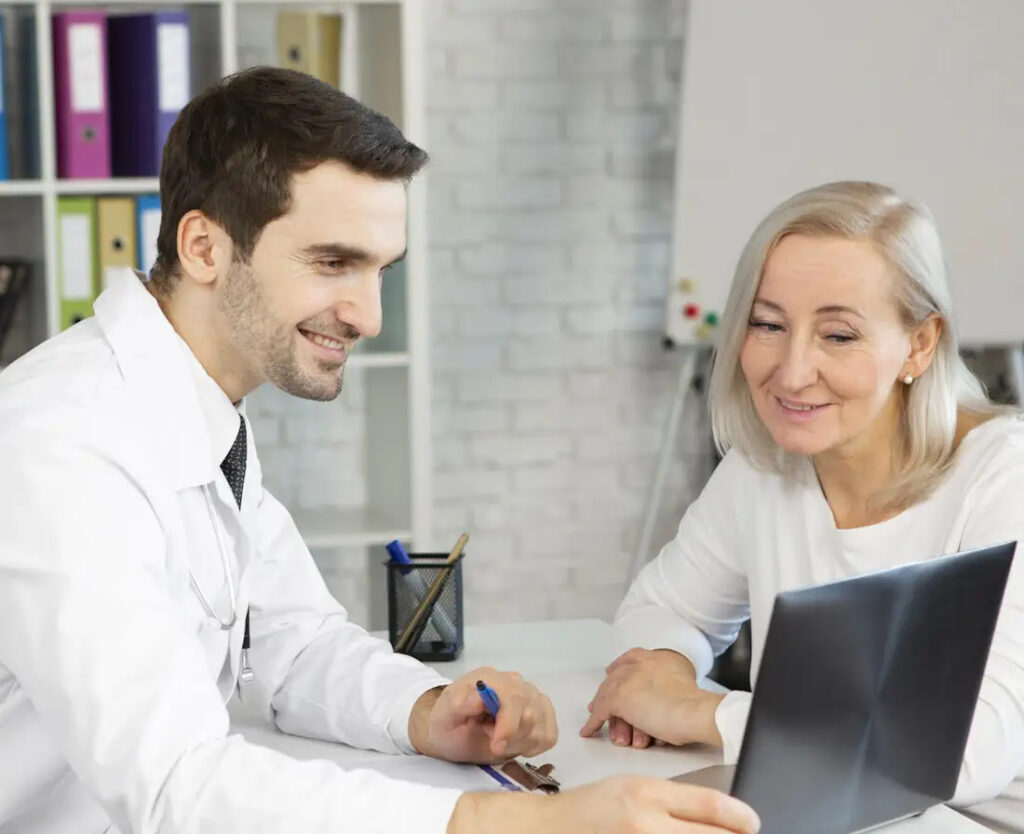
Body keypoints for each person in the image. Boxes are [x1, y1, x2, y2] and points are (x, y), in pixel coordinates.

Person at [0, 68, 760, 834]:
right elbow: (175, 784)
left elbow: (292, 644)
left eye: (379, 270)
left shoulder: (194, 408)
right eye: (333, 263)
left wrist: (427, 712)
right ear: (204, 246)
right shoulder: (62, 444)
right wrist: (520, 824)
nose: (368, 316)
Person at [581, 180, 1024, 833]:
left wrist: (703, 714)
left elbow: (967, 751)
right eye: (768, 325)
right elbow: (661, 609)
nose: (790, 373)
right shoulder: (766, 464)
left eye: (838, 335)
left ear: (920, 345)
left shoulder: (1004, 479)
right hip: (817, 814)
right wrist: (663, 672)